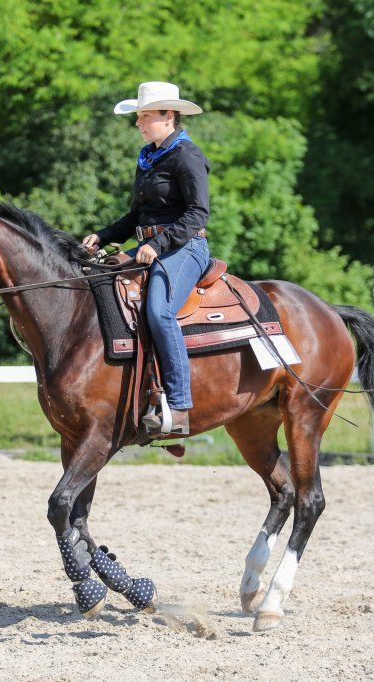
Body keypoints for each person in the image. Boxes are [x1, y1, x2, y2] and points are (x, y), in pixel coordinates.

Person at [82, 82, 210, 436]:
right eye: (138, 116)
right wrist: (104, 236)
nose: (139, 123)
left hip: (186, 248)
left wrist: (161, 243)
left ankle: (180, 405)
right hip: (148, 248)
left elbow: (198, 214)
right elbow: (135, 217)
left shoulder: (187, 156)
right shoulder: (148, 157)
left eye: (145, 116)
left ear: (169, 117)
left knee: (159, 311)